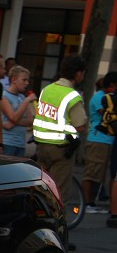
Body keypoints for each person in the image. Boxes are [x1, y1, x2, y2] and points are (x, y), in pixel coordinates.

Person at [33, 53, 88, 212]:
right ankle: (56, 227)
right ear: (78, 73)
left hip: (41, 147)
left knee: (41, 189)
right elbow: (81, 126)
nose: (83, 76)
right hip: (61, 149)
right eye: (83, 73)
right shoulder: (72, 95)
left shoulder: (46, 90)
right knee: (59, 193)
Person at [82, 71, 116, 213]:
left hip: (107, 140)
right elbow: (109, 115)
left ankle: (99, 203)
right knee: (92, 173)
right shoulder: (100, 98)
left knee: (105, 174)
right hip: (98, 139)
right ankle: (87, 203)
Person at [0, 65, 36, 157]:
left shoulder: (22, 97)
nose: (27, 83)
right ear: (14, 80)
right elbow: (13, 117)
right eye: (24, 80)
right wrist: (27, 101)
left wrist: (12, 123)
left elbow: (29, 121)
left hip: (20, 143)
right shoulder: (4, 96)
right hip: (8, 142)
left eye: (28, 80)